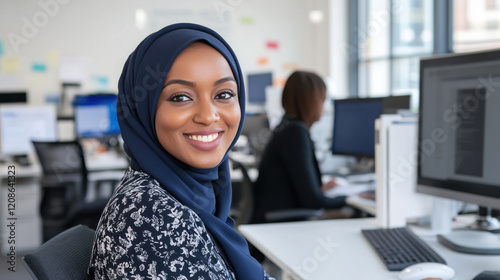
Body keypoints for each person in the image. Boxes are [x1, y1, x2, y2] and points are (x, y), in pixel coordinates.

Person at [88, 23, 274, 280]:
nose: (208, 116)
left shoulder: (194, 197)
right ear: (143, 109)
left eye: (224, 94)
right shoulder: (150, 217)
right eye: (180, 97)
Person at [251, 70, 347, 224]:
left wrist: (319, 189)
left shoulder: (285, 126)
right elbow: (313, 202)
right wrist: (351, 199)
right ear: (312, 101)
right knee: (349, 216)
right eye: (323, 100)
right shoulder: (295, 133)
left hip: (274, 216)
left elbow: (301, 188)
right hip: (280, 224)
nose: (324, 106)